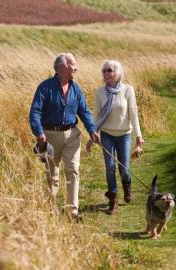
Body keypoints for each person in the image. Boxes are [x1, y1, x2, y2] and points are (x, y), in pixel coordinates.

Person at [29, 53, 100, 218]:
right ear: (62, 67)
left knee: (73, 169)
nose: (76, 68)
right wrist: (39, 133)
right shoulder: (45, 87)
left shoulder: (76, 89)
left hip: (72, 134)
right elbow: (35, 112)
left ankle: (72, 211)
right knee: (52, 174)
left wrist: (92, 130)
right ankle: (50, 208)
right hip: (49, 136)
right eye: (72, 65)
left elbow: (84, 111)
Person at [87, 60, 144, 214]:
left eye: (109, 70)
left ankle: (127, 186)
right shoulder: (100, 92)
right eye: (104, 71)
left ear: (117, 73)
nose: (106, 74)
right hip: (107, 135)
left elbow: (133, 114)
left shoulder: (128, 90)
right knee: (110, 167)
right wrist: (92, 134)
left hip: (124, 134)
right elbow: (96, 115)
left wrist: (138, 135)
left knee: (124, 168)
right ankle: (113, 199)